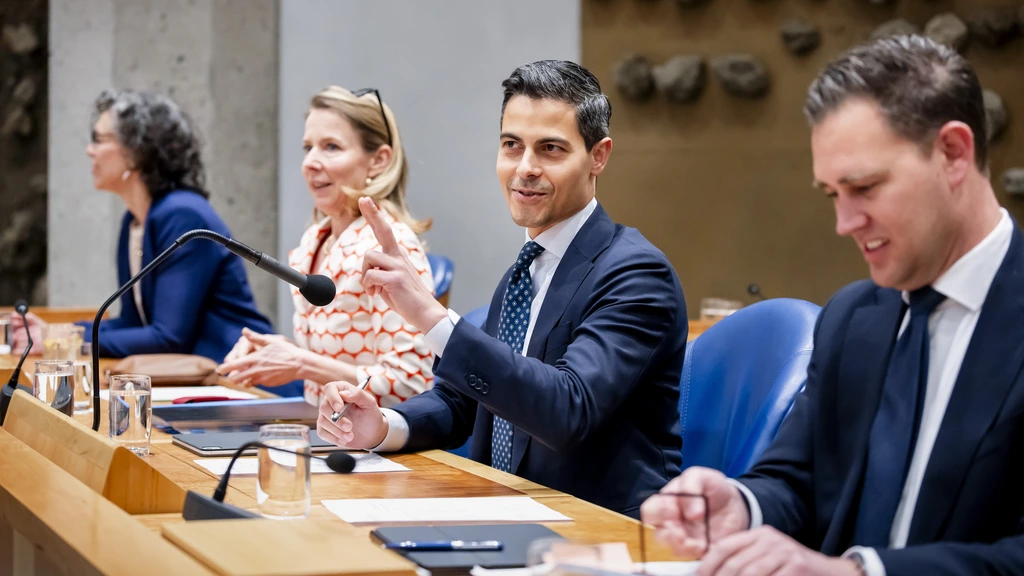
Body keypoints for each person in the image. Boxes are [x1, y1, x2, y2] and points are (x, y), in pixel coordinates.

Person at [641, 35, 1024, 575]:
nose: (844, 224)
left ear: (953, 153)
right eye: (832, 195)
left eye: (864, 187)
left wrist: (859, 573)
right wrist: (742, 507)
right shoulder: (852, 318)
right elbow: (798, 481)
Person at [314, 60, 687, 518]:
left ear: (599, 156)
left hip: (597, 530)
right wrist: (383, 425)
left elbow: (568, 408)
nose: (525, 168)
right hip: (503, 513)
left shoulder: (636, 273)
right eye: (512, 145)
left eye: (550, 149)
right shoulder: (526, 268)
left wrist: (431, 317)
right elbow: (466, 402)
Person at [12, 90, 272, 363]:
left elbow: (168, 338)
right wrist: (55, 331)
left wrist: (63, 339)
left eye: (99, 140)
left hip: (247, 383)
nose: (90, 150)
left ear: (136, 151)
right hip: (199, 382)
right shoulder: (135, 220)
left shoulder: (183, 215)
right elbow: (132, 323)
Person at [217, 86, 436, 407]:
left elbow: (411, 382)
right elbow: (334, 357)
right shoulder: (315, 240)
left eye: (331, 147)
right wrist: (277, 353)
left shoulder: (390, 246)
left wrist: (302, 364)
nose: (310, 163)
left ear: (378, 160)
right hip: (325, 434)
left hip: (377, 446)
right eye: (308, 147)